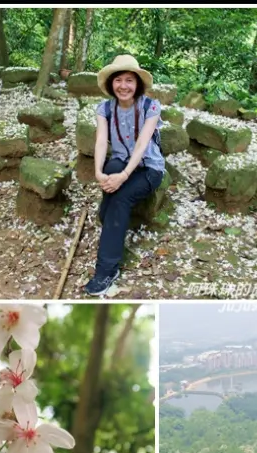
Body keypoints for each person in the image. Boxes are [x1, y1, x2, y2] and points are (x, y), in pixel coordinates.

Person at [83, 55, 165, 296]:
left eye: (129, 80)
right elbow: (100, 140)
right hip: (120, 161)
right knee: (110, 169)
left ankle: (106, 270)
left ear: (137, 83)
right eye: (118, 80)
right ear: (111, 84)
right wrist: (98, 172)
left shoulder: (151, 106)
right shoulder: (105, 108)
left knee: (119, 200)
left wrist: (124, 175)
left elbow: (142, 145)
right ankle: (108, 214)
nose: (124, 85)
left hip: (148, 167)